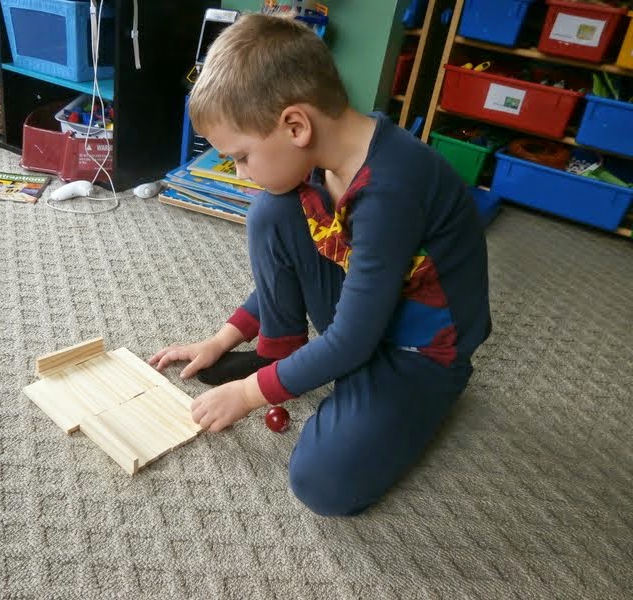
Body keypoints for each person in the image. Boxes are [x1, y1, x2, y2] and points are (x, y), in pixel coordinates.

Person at [148, 13, 491, 517]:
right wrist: (222, 339)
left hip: (419, 350)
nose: (239, 172)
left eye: (241, 157)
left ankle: (420, 395)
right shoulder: (321, 162)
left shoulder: (390, 191)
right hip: (366, 309)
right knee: (271, 211)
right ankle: (281, 358)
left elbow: (352, 340)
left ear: (296, 126)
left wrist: (248, 395)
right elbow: (304, 264)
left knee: (322, 483)